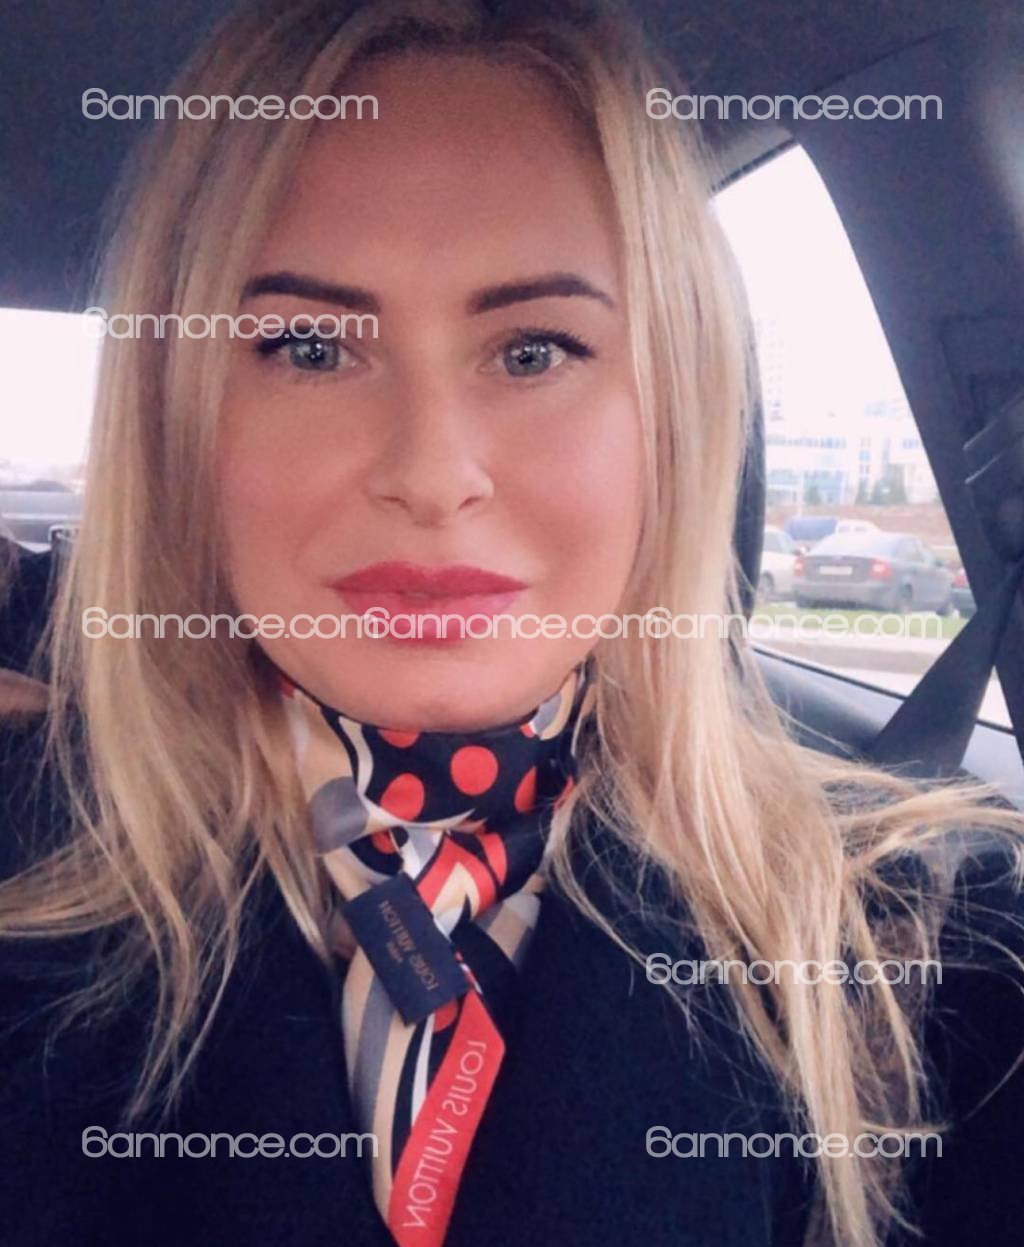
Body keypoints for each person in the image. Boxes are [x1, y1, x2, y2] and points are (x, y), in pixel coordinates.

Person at [1, 2, 1022, 1245]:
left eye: (534, 350)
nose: (432, 474)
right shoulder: (27, 870)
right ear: (175, 425)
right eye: (308, 347)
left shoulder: (933, 949)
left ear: (675, 415)